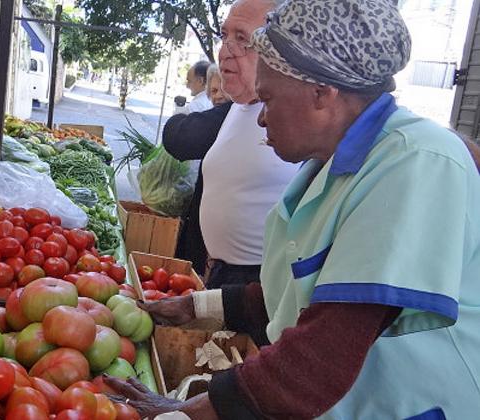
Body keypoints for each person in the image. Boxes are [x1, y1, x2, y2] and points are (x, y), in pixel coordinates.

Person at [105, 0, 480, 419]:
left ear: (322, 93)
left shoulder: (419, 163)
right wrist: (194, 308)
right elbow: (293, 292)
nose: (261, 119)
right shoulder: (329, 165)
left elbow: (324, 350)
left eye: (267, 99)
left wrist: (177, 415)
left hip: (407, 404)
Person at [196, 0, 297, 288]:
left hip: (259, 286)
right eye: (224, 35)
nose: (225, 50)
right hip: (222, 275)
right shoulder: (237, 106)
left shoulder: (296, 118)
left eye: (242, 39)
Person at [164, 66, 232, 275]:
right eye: (213, 91)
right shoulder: (220, 118)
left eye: (223, 89)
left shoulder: (231, 117)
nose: (218, 96)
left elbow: (178, 138)